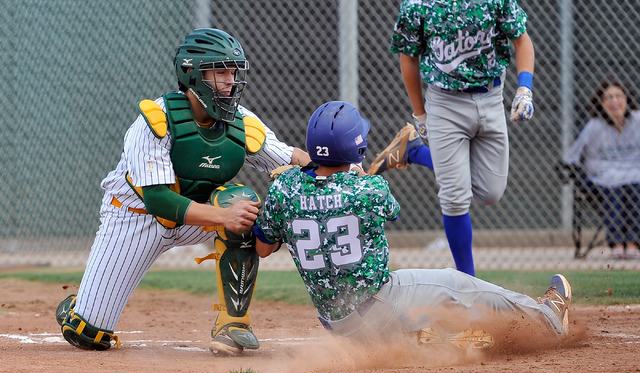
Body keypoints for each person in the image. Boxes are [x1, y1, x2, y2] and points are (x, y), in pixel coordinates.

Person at [54, 28, 310, 355]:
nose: (230, 80)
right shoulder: (155, 120)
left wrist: (339, 168)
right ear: (191, 74)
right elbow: (158, 199)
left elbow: (292, 157)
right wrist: (222, 216)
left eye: (233, 71)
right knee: (88, 334)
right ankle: (82, 305)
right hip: (136, 218)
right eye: (219, 71)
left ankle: (233, 324)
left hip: (195, 218)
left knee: (241, 203)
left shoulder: (241, 121)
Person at [254, 101, 571, 351]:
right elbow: (391, 210)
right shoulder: (370, 189)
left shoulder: (283, 188)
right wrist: (357, 174)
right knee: (456, 284)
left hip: (335, 323)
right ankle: (548, 318)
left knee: (411, 299)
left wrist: (297, 183)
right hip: (379, 306)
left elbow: (264, 248)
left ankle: (428, 338)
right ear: (356, 149)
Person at [368, 0, 536, 277]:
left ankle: (413, 151)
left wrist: (524, 89)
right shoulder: (418, 5)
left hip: (492, 96)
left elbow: (522, 40)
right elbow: (408, 58)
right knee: (455, 197)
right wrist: (420, 114)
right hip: (445, 103)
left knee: (490, 193)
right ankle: (468, 283)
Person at [565, 76, 640, 260]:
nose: (615, 101)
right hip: (603, 178)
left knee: (634, 185)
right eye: (608, 98)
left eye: (618, 96)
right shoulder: (594, 127)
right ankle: (616, 242)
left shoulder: (638, 120)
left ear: (627, 99)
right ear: (602, 104)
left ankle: (632, 242)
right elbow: (572, 157)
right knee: (612, 186)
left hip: (635, 174)